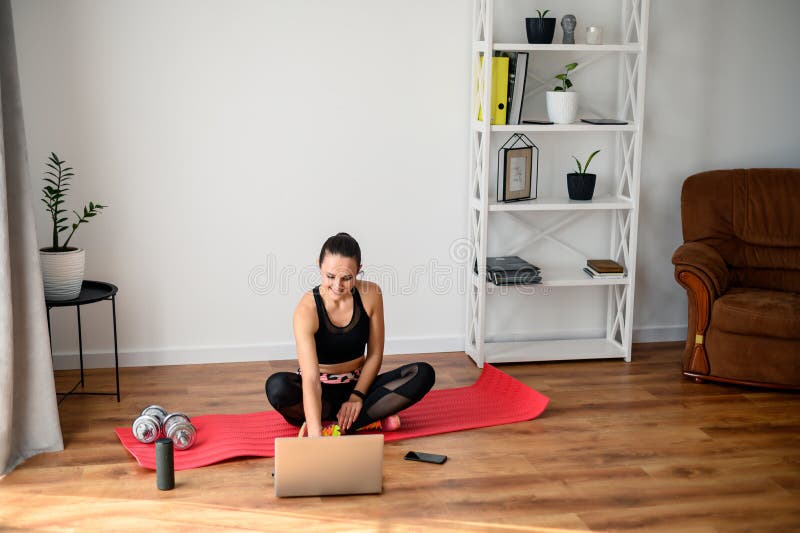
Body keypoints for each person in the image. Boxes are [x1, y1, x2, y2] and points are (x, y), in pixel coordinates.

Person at [265, 232, 435, 437]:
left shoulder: (372, 295)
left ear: (358, 271)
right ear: (319, 265)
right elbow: (310, 379)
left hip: (359, 384)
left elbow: (374, 355)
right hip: (320, 393)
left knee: (423, 373)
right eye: (330, 276)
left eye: (347, 278)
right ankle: (364, 418)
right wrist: (316, 435)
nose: (338, 286)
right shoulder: (306, 310)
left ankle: (345, 421)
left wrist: (357, 396)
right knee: (277, 386)